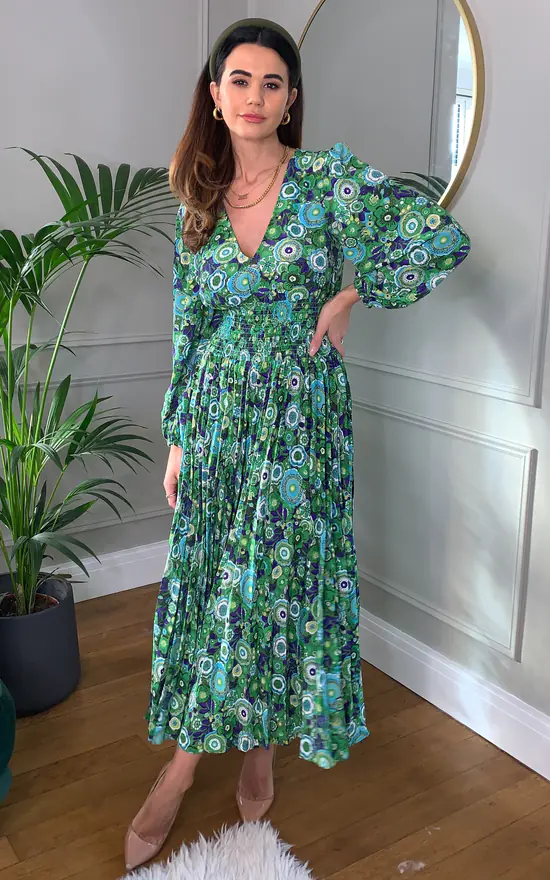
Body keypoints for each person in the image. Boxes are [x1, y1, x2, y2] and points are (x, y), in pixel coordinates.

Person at [124, 17, 471, 871]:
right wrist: (178, 441)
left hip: (299, 416)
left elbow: (438, 235)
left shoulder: (326, 180)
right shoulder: (197, 202)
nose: (255, 97)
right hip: (217, 417)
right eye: (239, 80)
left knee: (272, 584)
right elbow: (189, 331)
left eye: (272, 83)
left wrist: (354, 294)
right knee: (218, 581)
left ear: (291, 99)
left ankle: (216, 760)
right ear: (215, 96)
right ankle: (216, 754)